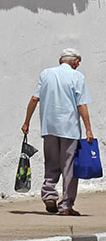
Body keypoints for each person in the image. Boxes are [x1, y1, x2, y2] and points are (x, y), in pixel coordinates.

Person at [22, 48, 94, 216]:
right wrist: (88, 130)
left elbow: (34, 99)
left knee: (51, 163)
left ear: (61, 60)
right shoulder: (78, 77)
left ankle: (49, 195)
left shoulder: (46, 74)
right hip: (69, 128)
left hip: (49, 127)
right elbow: (81, 104)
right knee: (69, 167)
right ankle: (66, 206)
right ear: (75, 62)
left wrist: (27, 122)